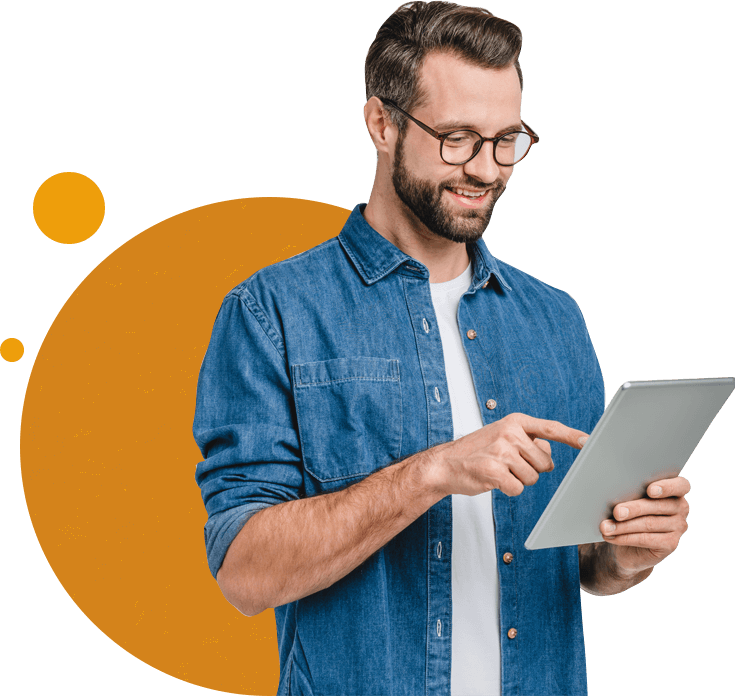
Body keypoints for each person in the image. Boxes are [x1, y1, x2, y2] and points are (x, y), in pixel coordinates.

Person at [193, 3, 690, 694]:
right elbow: (245, 573)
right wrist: (433, 472)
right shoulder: (272, 311)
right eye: (457, 138)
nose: (486, 169)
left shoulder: (555, 318)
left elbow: (582, 566)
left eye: (506, 139)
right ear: (382, 123)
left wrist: (629, 553)